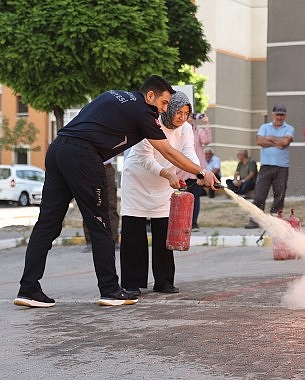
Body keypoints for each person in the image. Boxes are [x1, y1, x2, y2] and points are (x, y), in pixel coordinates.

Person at [13, 75, 219, 308]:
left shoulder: (113, 94)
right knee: (101, 224)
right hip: (83, 157)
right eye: (163, 103)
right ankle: (110, 290)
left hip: (58, 149)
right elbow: (168, 152)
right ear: (150, 96)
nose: (163, 110)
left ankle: (28, 288)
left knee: (47, 224)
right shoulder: (144, 112)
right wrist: (202, 173)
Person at [119, 91, 199, 296]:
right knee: (134, 232)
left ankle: (164, 281)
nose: (182, 117)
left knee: (164, 231)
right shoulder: (151, 123)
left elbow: (188, 152)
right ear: (169, 109)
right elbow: (145, 159)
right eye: (178, 112)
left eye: (186, 113)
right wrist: (168, 174)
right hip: (137, 180)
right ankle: (132, 282)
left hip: (164, 184)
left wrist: (200, 172)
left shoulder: (186, 129)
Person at [244, 104, 295, 229]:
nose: (280, 117)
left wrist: (270, 138)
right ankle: (255, 221)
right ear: (273, 115)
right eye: (277, 114)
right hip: (266, 166)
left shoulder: (289, 128)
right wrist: (277, 142)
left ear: (285, 116)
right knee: (259, 195)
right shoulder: (264, 127)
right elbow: (259, 141)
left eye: (282, 114)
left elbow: (284, 143)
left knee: (279, 195)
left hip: (282, 167)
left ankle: (275, 221)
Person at [176, 113, 212, 231]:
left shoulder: (198, 131)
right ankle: (182, 222)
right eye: (188, 116)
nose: (190, 118)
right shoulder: (179, 131)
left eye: (192, 116)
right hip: (182, 170)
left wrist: (207, 123)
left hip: (197, 171)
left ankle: (194, 223)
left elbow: (207, 140)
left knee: (195, 197)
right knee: (181, 198)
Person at [82, 157, 119, 252]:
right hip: (89, 168)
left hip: (106, 168)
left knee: (111, 204)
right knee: (89, 204)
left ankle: (114, 240)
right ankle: (90, 240)